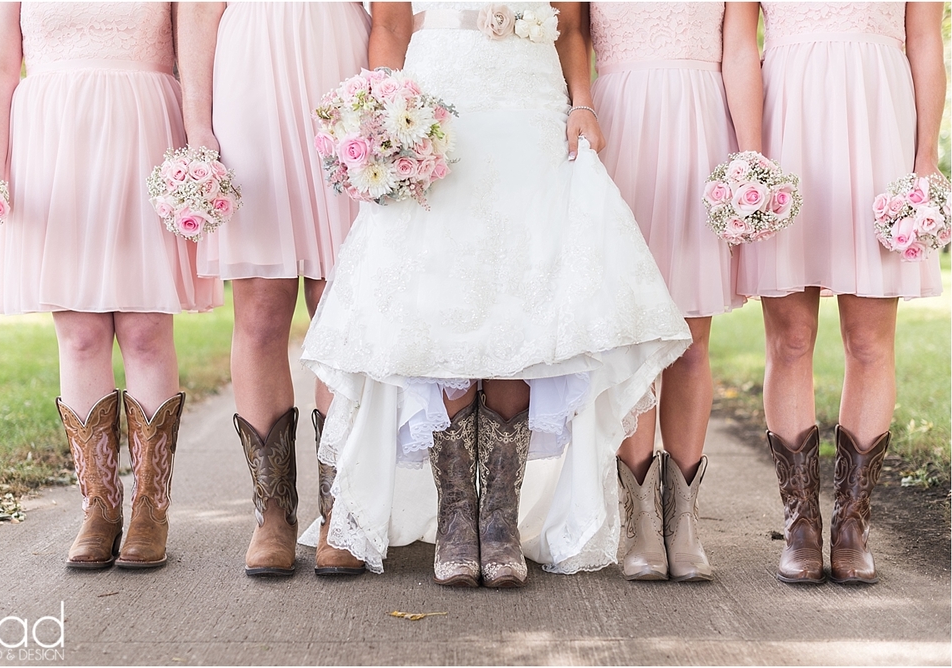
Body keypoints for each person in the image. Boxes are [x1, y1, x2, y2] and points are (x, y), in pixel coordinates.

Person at [300, 1, 692, 587]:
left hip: (531, 109)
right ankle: (458, 515)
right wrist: (386, 110)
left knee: (521, 298)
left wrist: (580, 103)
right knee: (446, 301)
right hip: (439, 101)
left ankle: (499, 519)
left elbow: (574, 26)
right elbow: (387, 25)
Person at [0, 2, 222, 569]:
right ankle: (99, 508)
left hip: (146, 132)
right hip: (52, 145)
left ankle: (149, 511)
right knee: (81, 334)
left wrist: (200, 136)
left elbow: (194, 52)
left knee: (143, 329)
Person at [724, 2, 946, 584]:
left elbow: (924, 40)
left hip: (879, 123)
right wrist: (750, 156)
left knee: (870, 340)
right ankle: (801, 523)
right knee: (790, 339)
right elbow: (742, 44)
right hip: (786, 119)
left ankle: (852, 523)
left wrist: (924, 163)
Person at [178, 2, 370, 577]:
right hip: (249, 83)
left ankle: (343, 510)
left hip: (341, 76)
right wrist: (197, 124)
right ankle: (273, 513)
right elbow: (194, 13)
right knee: (260, 310)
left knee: (341, 306)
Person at [588, 2, 757, 582]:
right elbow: (569, 33)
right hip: (618, 127)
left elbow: (740, 50)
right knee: (634, 335)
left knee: (691, 336)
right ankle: (638, 521)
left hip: (701, 127)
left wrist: (750, 156)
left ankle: (682, 520)